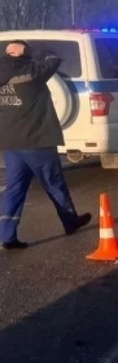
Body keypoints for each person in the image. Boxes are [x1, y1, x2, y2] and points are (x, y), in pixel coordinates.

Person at [0, 40, 92, 250]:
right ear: (22, 54)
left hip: (11, 143)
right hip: (37, 140)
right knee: (54, 183)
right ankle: (70, 221)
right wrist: (33, 50)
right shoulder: (32, 73)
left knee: (14, 189)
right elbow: (53, 59)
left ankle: (6, 235)